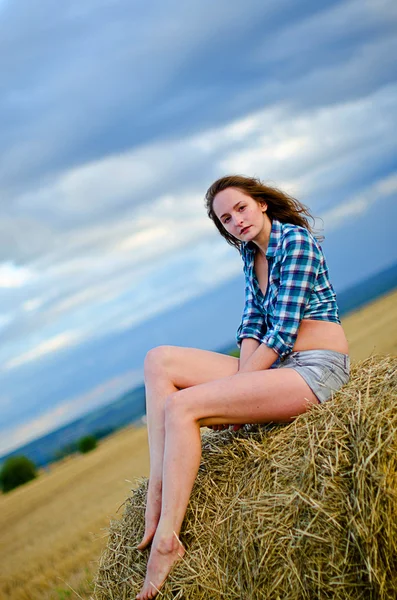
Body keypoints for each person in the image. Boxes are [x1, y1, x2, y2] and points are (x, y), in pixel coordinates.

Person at [135, 175, 350, 599]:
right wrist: (239, 389)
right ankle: (157, 489)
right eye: (225, 218)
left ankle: (168, 542)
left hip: (314, 370)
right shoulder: (252, 256)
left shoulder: (296, 243)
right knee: (158, 359)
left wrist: (236, 390)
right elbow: (253, 325)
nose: (236, 221)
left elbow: (283, 331)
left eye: (241, 209)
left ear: (262, 205)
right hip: (275, 368)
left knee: (180, 407)